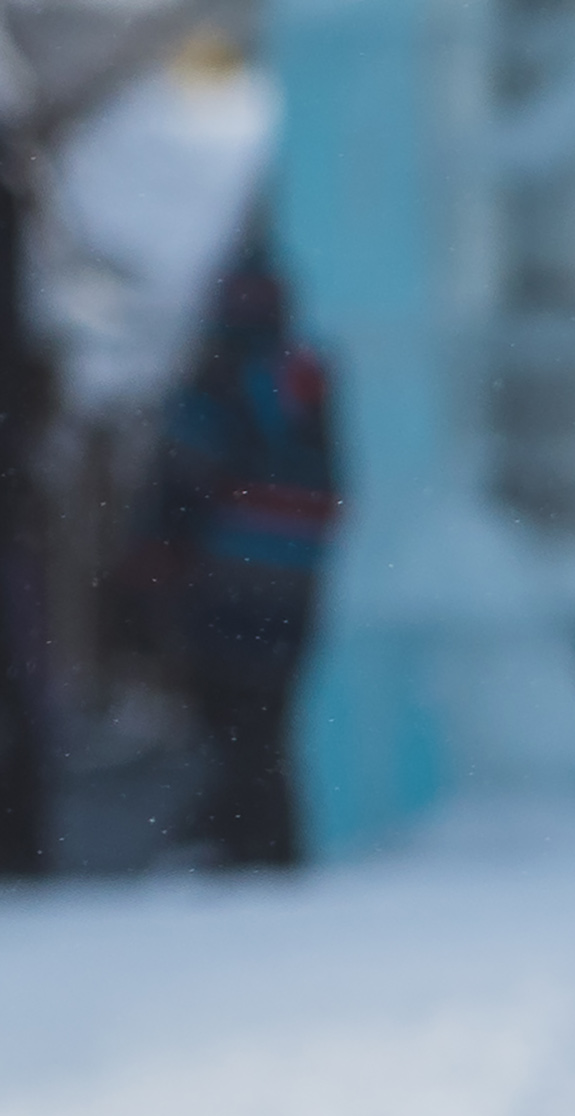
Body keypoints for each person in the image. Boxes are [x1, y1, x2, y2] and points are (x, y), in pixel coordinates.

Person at [139, 235, 331, 873]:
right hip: (298, 584)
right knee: (271, 724)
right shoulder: (308, 378)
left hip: (226, 583)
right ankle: (273, 846)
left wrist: (157, 553)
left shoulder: (217, 380)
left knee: (229, 721)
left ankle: (239, 846)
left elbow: (183, 475)